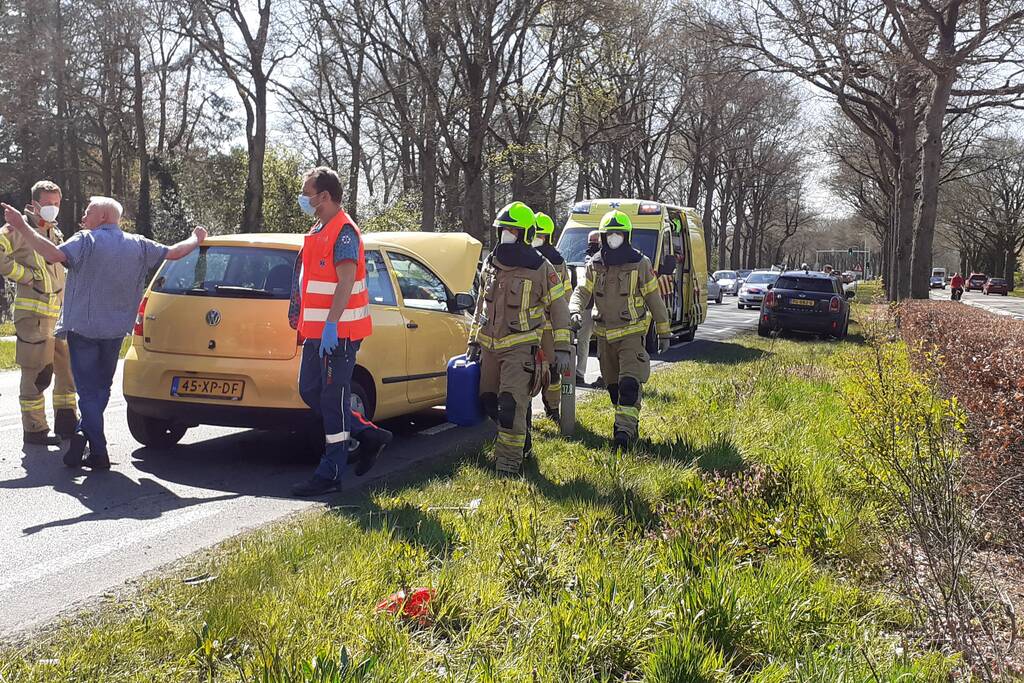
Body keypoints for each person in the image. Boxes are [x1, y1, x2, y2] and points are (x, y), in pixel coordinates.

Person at [0, 197, 206, 469]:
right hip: (114, 334)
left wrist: (22, 227)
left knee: (88, 392)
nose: (84, 215)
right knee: (100, 390)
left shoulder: (85, 240)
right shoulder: (139, 244)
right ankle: (86, 434)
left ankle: (98, 450)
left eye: (89, 211)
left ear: (104, 218)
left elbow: (52, 255)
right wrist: (196, 238)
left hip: (83, 330)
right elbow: (175, 252)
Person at [289, 166, 392, 497]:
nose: (304, 199)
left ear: (325, 196)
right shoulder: (320, 226)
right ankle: (367, 433)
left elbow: (346, 280)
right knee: (310, 390)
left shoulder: (344, 232)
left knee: (332, 400)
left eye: (308, 193)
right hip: (318, 333)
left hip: (339, 333)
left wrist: (332, 323)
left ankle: (331, 472)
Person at [467, 201, 571, 475]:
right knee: (489, 401)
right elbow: (481, 304)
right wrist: (473, 341)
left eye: (511, 230)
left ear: (524, 234)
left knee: (510, 405)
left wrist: (561, 348)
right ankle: (521, 438)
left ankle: (508, 465)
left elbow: (559, 308)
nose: (505, 235)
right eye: (503, 230)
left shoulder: (541, 267)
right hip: (489, 347)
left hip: (520, 348)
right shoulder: (492, 262)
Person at [569, 210, 671, 451]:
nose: (614, 238)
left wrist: (664, 331)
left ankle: (622, 435)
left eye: (619, 234)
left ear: (627, 236)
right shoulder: (595, 265)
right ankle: (630, 426)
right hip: (604, 338)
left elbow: (654, 299)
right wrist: (574, 310)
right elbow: (583, 291)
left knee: (628, 385)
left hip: (631, 335)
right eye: (610, 235)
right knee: (614, 389)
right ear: (603, 237)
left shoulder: (640, 264)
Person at [0, 180, 77, 446]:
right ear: (34, 204)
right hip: (33, 317)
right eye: (47, 204)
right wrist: (25, 277)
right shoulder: (18, 228)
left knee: (66, 371)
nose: (53, 209)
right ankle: (35, 429)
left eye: (56, 204)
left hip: (58, 318)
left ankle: (68, 424)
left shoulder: (54, 232)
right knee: (37, 374)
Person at [531, 211, 570, 422]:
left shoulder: (526, 260)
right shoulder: (558, 262)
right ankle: (553, 408)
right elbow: (566, 295)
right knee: (552, 370)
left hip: (530, 326)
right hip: (550, 326)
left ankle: (529, 414)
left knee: (528, 369)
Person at [574, 230, 601, 387]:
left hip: (603, 307)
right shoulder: (588, 260)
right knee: (583, 341)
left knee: (604, 343)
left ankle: (606, 375)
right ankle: (579, 373)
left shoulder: (607, 259)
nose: (592, 246)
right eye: (590, 242)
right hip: (587, 306)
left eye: (595, 242)